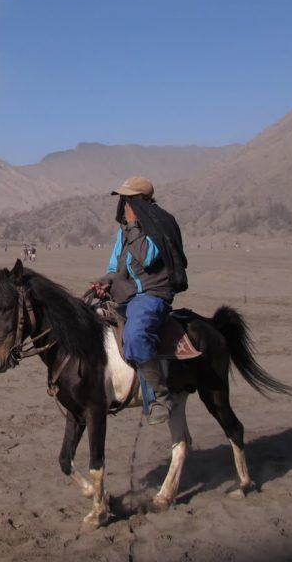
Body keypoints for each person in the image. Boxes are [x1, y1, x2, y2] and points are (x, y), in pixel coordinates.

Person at [89, 176, 187, 425]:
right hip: (128, 294)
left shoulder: (159, 226)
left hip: (153, 296)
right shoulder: (124, 233)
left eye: (127, 200)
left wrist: (133, 226)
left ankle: (161, 397)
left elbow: (146, 257)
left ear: (140, 201)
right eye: (123, 200)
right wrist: (104, 284)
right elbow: (114, 268)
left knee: (134, 337)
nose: (124, 206)